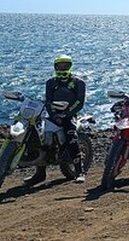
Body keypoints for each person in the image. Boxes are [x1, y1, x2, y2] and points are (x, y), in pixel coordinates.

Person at [25, 54, 87, 185]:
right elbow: (48, 100)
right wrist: (54, 115)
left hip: (70, 114)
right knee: (39, 138)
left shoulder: (79, 82)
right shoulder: (51, 82)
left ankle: (79, 171)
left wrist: (66, 113)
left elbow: (79, 102)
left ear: (70, 66)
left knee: (71, 136)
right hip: (52, 114)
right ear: (55, 66)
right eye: (60, 65)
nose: (63, 67)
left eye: (65, 65)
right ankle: (39, 173)